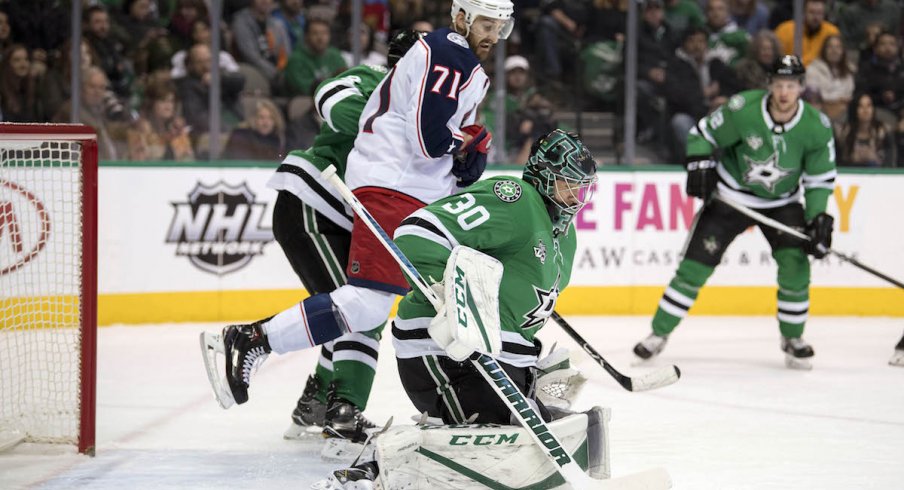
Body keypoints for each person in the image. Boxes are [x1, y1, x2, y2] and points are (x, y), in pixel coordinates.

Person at [201, 0, 513, 445]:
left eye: (501, 28)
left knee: (373, 305)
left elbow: (450, 161)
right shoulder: (445, 52)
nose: (494, 36)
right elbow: (424, 139)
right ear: (461, 17)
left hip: (407, 196)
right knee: (367, 306)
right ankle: (258, 344)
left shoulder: (468, 71)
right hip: (380, 191)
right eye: (487, 24)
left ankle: (298, 379)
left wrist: (471, 150)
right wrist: (457, 139)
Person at [321, 129, 599, 489]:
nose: (575, 197)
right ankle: (369, 467)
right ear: (544, 177)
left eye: (581, 188)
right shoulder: (516, 200)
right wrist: (449, 295)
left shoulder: (566, 235)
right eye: (567, 185)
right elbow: (418, 232)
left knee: (546, 430)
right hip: (445, 350)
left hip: (492, 359)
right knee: (509, 431)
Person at [265, 30, 423, 441]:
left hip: (346, 216)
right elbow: (329, 98)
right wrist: (393, 128)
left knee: (351, 308)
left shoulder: (426, 114)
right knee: (363, 310)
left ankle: (317, 403)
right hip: (316, 200)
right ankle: (342, 412)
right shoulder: (374, 80)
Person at [633, 55, 837, 370]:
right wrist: (699, 161)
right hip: (731, 199)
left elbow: (819, 179)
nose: (784, 92)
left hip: (782, 204)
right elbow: (702, 134)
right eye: (779, 85)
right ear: (769, 85)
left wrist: (817, 217)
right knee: (694, 268)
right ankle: (657, 334)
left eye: (791, 86)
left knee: (795, 265)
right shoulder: (743, 109)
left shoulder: (815, 126)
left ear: (801, 88)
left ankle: (793, 338)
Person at [837, 93, 896, 167]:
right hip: (851, 173)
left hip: (879, 174)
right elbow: (840, 160)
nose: (866, 110)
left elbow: (890, 159)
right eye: (861, 106)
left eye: (869, 106)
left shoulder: (883, 130)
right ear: (854, 109)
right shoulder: (844, 132)